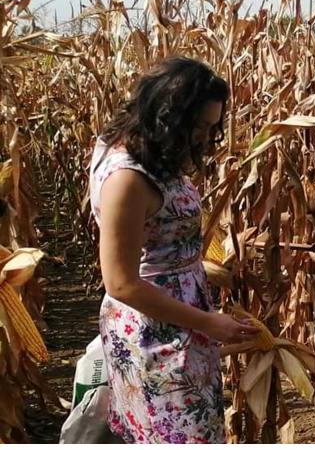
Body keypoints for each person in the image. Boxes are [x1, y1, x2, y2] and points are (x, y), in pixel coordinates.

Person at [89, 57, 259, 444]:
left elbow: (156, 236)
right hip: (156, 332)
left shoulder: (145, 153)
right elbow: (120, 282)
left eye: (211, 127)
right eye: (198, 125)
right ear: (168, 115)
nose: (203, 137)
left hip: (180, 321)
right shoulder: (128, 180)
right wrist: (207, 323)